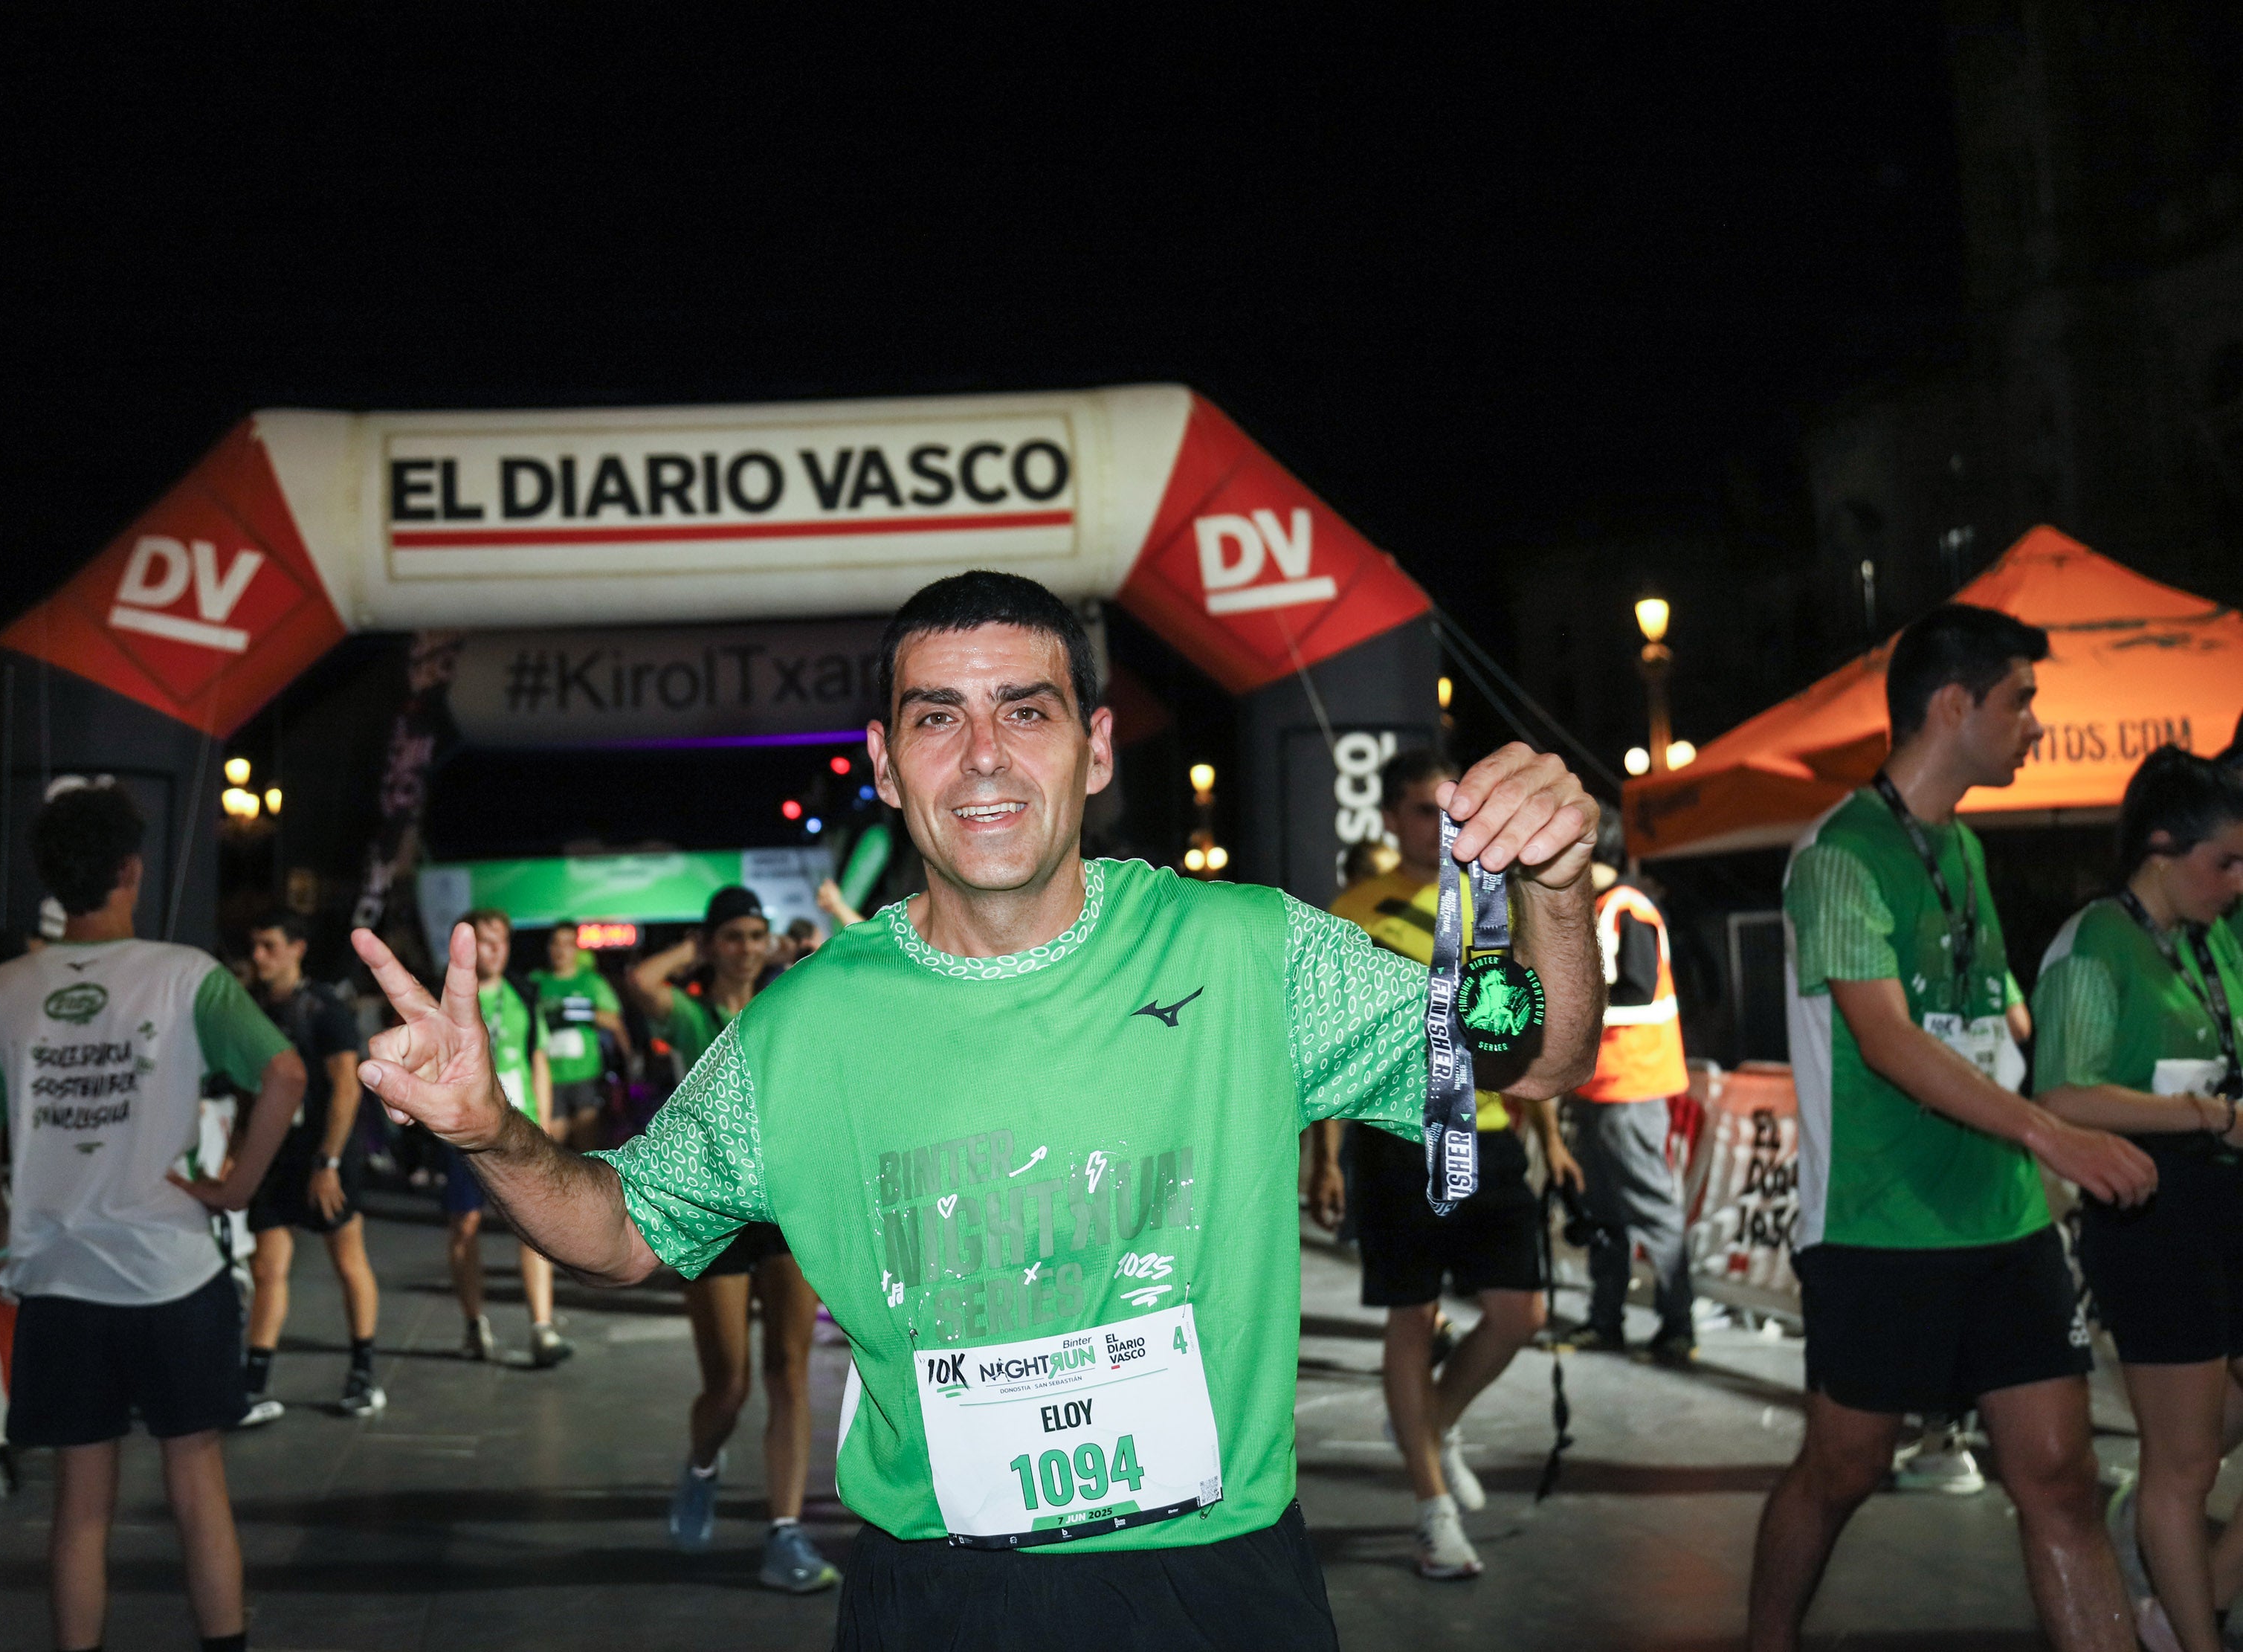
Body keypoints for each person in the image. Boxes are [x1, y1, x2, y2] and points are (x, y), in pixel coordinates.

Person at [351, 569, 1604, 1648]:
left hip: (1218, 1585)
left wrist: (1553, 888)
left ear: (1094, 748)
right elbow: (622, 1230)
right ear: (885, 764)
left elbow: (1536, 1055)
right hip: (939, 1596)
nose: (985, 754)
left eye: (1025, 709)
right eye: (938, 717)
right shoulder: (803, 1025)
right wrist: (490, 1129)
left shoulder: (1248, 950)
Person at [1752, 602, 2157, 1652]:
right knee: (1842, 1467)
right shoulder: (1836, 853)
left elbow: (1998, 1008)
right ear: (1952, 703)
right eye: (2021, 700)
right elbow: (1887, 1038)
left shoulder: (1963, 847)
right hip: (1878, 1220)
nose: (2036, 725)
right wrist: (2052, 1134)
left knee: (2060, 1476)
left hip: (2004, 1216)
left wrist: (2098, 1091)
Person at [0, 781, 306, 1652]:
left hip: (58, 1277)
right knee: (197, 1481)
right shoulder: (186, 975)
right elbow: (287, 1074)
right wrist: (237, 1186)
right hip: (171, 1270)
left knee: (79, 1504)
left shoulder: (1, 993)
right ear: (131, 870)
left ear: (52, 878)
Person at [1315, 743, 1587, 1579]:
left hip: (1492, 1128)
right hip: (1393, 1140)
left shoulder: (1491, 896)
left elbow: (1521, 1031)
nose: (1438, 825)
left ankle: (1431, 1422)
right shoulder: (1350, 913)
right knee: (1412, 1316)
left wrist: (1551, 1140)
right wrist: (1324, 1158)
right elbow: (1327, 1048)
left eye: (1449, 809)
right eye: (1421, 810)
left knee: (1520, 1313)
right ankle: (1432, 1509)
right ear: (1389, 819)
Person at [2031, 747, 2243, 1652]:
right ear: (2161, 846)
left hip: (2224, 1210)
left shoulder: (2209, 940)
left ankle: (2176, 1595)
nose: (2238, 882)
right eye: (2225, 861)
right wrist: (2207, 1114)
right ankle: (2191, 1629)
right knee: (2184, 1468)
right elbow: (2062, 1095)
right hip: (2154, 1223)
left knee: (2181, 1459)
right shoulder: (2094, 942)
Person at [625, 886, 835, 1593]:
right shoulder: (691, 1014)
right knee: (729, 1385)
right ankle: (702, 1466)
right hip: (709, 1210)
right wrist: (691, 946)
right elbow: (640, 980)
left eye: (755, 935)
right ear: (712, 944)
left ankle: (785, 1531)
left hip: (784, 1202)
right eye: (732, 936)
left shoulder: (786, 1002)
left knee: (788, 1369)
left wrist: (803, 955)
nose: (746, 948)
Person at [1561, 809, 1698, 1364]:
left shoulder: (1626, 906)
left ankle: (1677, 1327)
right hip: (1600, 1086)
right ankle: (1605, 1321)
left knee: (1651, 1209)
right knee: (1602, 1213)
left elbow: (1639, 993)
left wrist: (1571, 1011)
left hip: (1630, 1084)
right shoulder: (1603, 907)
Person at [240, 911, 387, 1424]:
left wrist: (328, 1161)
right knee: (266, 1269)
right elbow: (251, 1086)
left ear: (296, 948)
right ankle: (253, 1384)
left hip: (324, 1153)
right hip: (275, 1156)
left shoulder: (324, 1007)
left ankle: (363, 1374)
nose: (258, 956)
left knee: (347, 1259)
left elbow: (347, 1086)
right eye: (255, 946)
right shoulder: (255, 1007)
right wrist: (240, 1150)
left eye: (269, 945)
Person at [441, 906, 571, 1368]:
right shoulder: (449, 997)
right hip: (466, 1131)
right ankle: (474, 1324)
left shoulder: (523, 992)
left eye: (502, 941)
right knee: (465, 1226)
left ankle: (542, 1328)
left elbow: (538, 1057)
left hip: (521, 1129)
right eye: (485, 941)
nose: (495, 950)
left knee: (534, 1226)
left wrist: (545, 1124)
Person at [528, 922, 627, 1152]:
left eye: (568, 944)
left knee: (587, 1147)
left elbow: (614, 1021)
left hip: (586, 1076)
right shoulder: (536, 982)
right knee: (553, 1147)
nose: (561, 950)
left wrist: (579, 1011)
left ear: (576, 949)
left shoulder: (591, 982)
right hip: (550, 1078)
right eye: (556, 943)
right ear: (548, 948)